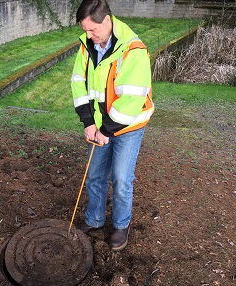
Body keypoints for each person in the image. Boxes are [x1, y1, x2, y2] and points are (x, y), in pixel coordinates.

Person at [71, 0, 154, 251]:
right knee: (94, 175)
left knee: (120, 178)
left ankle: (121, 225)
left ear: (106, 21)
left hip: (127, 128)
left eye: (92, 30)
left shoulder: (134, 51)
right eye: (85, 30)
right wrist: (88, 122)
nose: (88, 35)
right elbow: (79, 83)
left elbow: (130, 100)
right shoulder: (88, 46)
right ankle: (94, 220)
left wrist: (105, 130)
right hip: (98, 126)